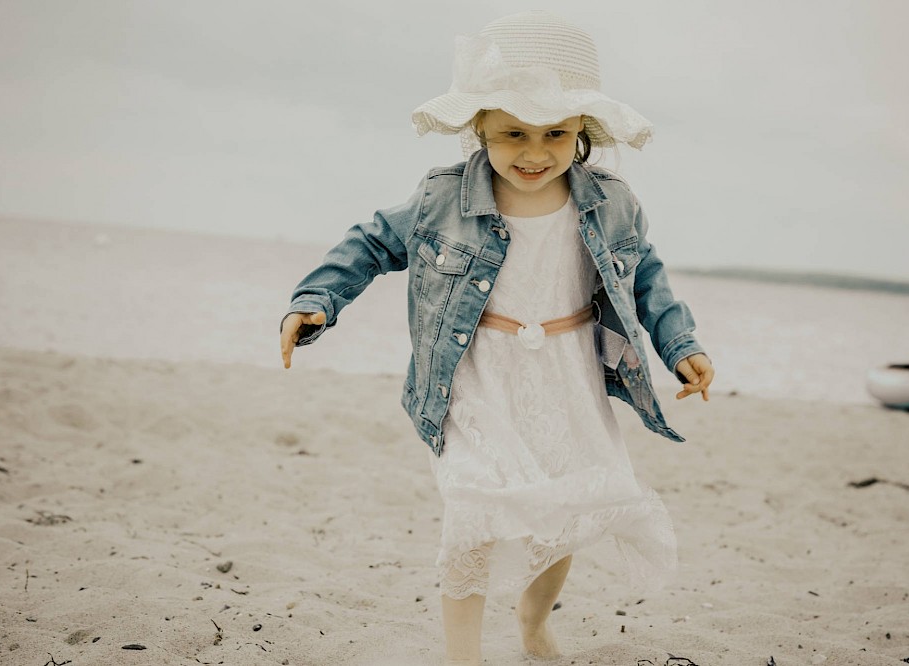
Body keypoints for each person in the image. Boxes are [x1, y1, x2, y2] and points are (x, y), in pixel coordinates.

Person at [280, 10, 714, 665]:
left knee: (564, 511)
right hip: (475, 370)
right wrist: (316, 300)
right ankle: (464, 658)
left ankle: (534, 621)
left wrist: (682, 346)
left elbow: (645, 276)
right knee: (474, 515)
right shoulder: (440, 198)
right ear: (478, 128)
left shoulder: (611, 202)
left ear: (582, 133)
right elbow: (372, 241)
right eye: (513, 132)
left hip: (568, 372)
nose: (535, 152)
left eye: (555, 133)